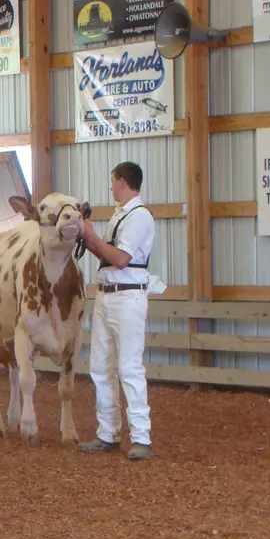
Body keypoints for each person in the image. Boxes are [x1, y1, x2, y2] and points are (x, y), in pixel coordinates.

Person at [76, 162, 155, 461]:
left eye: (112, 182)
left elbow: (121, 259)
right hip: (107, 295)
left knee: (129, 368)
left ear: (123, 181)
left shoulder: (140, 217)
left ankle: (142, 438)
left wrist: (93, 237)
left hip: (128, 298)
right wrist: (88, 237)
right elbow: (106, 255)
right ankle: (107, 432)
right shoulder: (120, 215)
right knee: (101, 366)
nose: (111, 188)